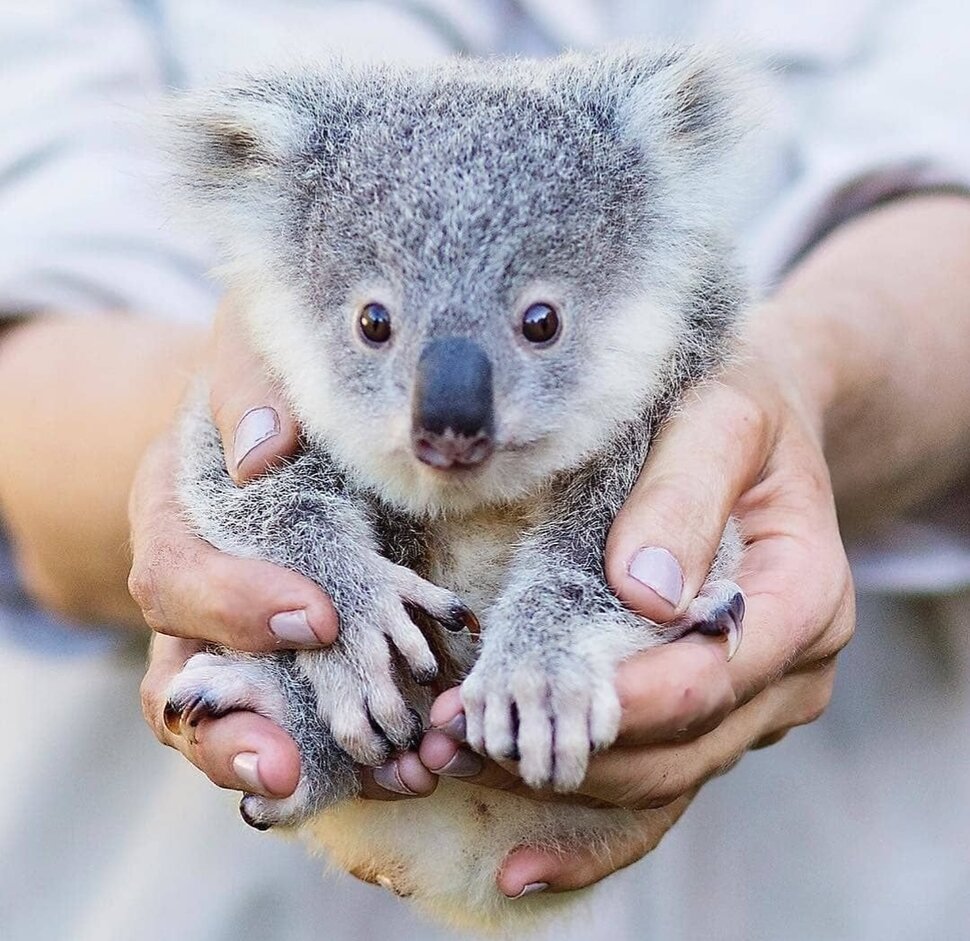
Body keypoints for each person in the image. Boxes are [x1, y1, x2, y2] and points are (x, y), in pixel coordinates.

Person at [1, 2, 968, 939]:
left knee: (657, 446)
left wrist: (800, 386)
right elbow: (37, 346)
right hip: (176, 885)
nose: (453, 417)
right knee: (266, 479)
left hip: (810, 872)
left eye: (540, 324)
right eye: (375, 324)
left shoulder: (673, 285)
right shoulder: (275, 225)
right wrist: (289, 567)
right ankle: (314, 701)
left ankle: (556, 652)